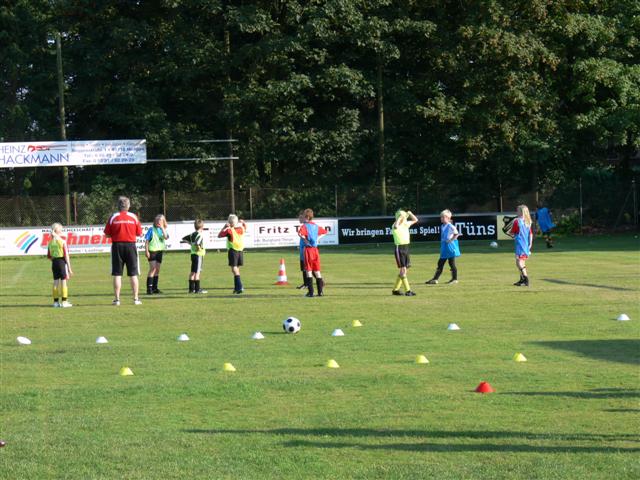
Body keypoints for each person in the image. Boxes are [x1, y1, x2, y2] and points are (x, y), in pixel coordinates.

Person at [104, 196, 143, 306]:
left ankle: (117, 300)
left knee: (117, 274)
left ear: (118, 205)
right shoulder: (133, 217)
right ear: (128, 205)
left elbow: (107, 234)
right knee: (133, 274)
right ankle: (136, 299)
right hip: (131, 246)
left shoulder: (113, 217)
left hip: (117, 246)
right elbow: (139, 233)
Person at [426, 209, 461, 285]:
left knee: (451, 263)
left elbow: (456, 234)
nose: (441, 218)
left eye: (443, 217)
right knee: (440, 263)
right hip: (444, 247)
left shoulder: (450, 226)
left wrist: (450, 240)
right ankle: (435, 279)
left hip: (450, 247)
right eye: (441, 217)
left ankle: (454, 279)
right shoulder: (442, 226)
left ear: (448, 218)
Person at [298, 208, 327, 297]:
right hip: (315, 250)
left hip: (308, 250)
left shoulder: (305, 226)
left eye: (304, 216)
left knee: (308, 270)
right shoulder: (316, 226)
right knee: (317, 271)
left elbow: (300, 233)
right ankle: (320, 292)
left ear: (307, 217)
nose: (303, 217)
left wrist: (305, 240)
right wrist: (317, 239)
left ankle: (311, 293)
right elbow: (325, 232)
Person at [218, 214, 247, 294]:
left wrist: (224, 227)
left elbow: (219, 235)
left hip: (233, 250)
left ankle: (240, 286)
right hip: (240, 250)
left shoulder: (229, 230)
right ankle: (236, 288)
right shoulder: (241, 228)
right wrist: (243, 222)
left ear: (229, 222)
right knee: (236, 269)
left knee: (234, 269)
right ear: (236, 222)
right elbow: (245, 227)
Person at [392, 209, 418, 296]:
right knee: (403, 269)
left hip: (406, 247)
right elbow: (396, 226)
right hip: (399, 248)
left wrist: (410, 213)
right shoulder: (395, 224)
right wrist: (400, 217)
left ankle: (395, 290)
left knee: (404, 269)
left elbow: (415, 220)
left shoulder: (406, 224)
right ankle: (408, 290)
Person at [47, 223, 73, 307]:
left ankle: (55, 302)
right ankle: (64, 302)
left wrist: (55, 260)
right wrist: (69, 268)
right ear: (57, 231)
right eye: (61, 229)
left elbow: (49, 256)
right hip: (61, 262)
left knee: (55, 282)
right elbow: (66, 255)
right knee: (64, 282)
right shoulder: (62, 241)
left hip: (54, 263)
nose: (62, 231)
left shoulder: (50, 242)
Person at [144, 214, 169, 294]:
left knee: (157, 270)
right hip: (152, 251)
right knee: (153, 269)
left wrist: (162, 228)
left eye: (160, 221)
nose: (158, 222)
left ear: (163, 222)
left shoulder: (163, 230)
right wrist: (146, 251)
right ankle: (149, 289)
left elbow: (166, 237)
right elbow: (147, 241)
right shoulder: (151, 229)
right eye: (157, 221)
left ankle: (155, 288)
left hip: (159, 252)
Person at [182, 219, 207, 294]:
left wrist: (190, 244)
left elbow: (184, 239)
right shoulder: (200, 235)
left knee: (193, 272)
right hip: (198, 255)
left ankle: (191, 289)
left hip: (193, 255)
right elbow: (197, 243)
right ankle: (197, 289)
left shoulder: (192, 234)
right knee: (197, 272)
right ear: (202, 227)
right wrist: (198, 248)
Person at [511, 204, 533, 287]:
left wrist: (512, 235)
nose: (516, 212)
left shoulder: (517, 221)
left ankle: (526, 279)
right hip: (525, 244)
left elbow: (513, 232)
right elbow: (530, 234)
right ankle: (522, 280)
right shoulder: (528, 222)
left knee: (519, 262)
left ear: (521, 212)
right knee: (520, 262)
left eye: (517, 210)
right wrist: (530, 244)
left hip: (520, 244)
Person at [296, 210, 307, 289]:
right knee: (303, 268)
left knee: (309, 269)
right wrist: (300, 246)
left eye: (300, 217)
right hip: (302, 251)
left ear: (304, 218)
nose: (299, 219)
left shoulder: (306, 227)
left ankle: (320, 281)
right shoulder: (303, 226)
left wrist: (305, 247)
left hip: (306, 251)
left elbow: (307, 238)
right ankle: (305, 284)